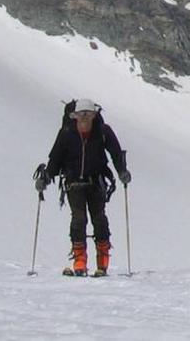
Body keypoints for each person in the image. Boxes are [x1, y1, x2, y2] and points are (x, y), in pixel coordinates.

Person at [33, 99, 130, 276]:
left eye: (88, 115)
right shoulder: (67, 133)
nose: (85, 119)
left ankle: (97, 263)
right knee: (80, 219)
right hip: (74, 183)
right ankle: (83, 261)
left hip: (95, 181)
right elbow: (55, 160)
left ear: (94, 116)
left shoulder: (101, 132)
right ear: (75, 116)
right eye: (81, 115)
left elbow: (116, 153)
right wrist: (46, 177)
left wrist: (122, 171)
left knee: (98, 218)